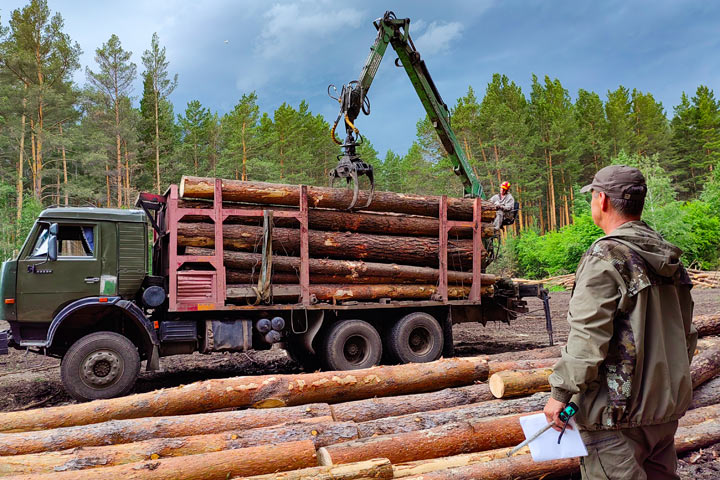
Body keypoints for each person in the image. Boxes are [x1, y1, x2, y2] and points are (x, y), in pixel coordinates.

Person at [543, 165, 697, 480]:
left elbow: (588, 337)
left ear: (601, 200)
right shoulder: (668, 258)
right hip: (663, 414)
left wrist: (560, 393)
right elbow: (687, 337)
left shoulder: (606, 257)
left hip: (615, 417)